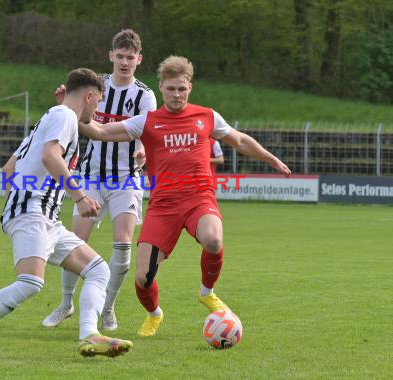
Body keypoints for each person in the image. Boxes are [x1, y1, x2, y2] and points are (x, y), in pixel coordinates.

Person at [78, 56, 291, 337]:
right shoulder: (148, 121)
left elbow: (239, 140)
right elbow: (100, 131)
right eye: (171, 89)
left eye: (182, 88)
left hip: (198, 198)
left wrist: (271, 159)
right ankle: (155, 314)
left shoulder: (207, 117)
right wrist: (74, 108)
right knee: (142, 278)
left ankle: (207, 293)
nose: (177, 94)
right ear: (161, 88)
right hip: (163, 206)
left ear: (190, 86)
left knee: (213, 239)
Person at [0, 68, 133, 360]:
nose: (97, 108)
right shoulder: (64, 117)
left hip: (43, 216)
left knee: (98, 270)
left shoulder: (50, 118)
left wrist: (16, 203)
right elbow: (51, 157)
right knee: (30, 283)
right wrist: (79, 196)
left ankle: (89, 334)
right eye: (98, 102)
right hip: (33, 212)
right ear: (89, 96)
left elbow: (9, 169)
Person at [42, 29, 157, 331]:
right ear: (111, 56)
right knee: (76, 243)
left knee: (122, 245)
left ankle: (108, 308)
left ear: (139, 60)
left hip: (126, 180)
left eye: (130, 57)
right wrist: (65, 103)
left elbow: (149, 131)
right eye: (119, 56)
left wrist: (143, 150)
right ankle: (66, 304)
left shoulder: (144, 95)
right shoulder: (98, 87)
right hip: (91, 177)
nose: (124, 62)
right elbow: (76, 115)